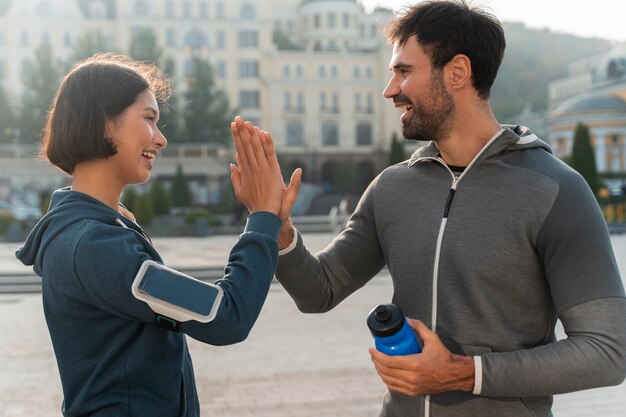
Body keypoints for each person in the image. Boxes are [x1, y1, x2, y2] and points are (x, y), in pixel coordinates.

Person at [261, 1, 626, 416]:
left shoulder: (557, 191)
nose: (390, 90)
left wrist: (462, 373)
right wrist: (277, 226)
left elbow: (606, 351)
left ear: (456, 73)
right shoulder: (391, 187)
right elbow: (318, 292)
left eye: (403, 72)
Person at [15, 53, 296, 417]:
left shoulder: (96, 231)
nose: (161, 139)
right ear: (103, 123)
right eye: (149, 118)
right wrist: (261, 220)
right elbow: (225, 317)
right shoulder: (94, 245)